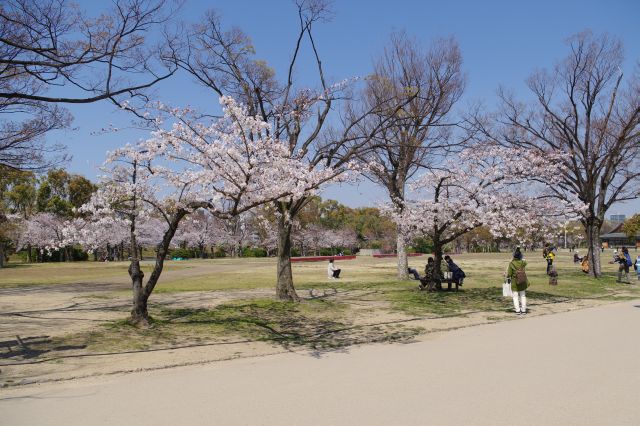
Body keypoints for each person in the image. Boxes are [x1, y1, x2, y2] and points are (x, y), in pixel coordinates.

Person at [507, 247, 529, 315]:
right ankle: (524, 310)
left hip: (514, 282)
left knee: (515, 297)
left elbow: (509, 274)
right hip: (522, 281)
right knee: (523, 296)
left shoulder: (511, 263)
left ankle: (517, 310)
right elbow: (525, 260)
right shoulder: (523, 262)